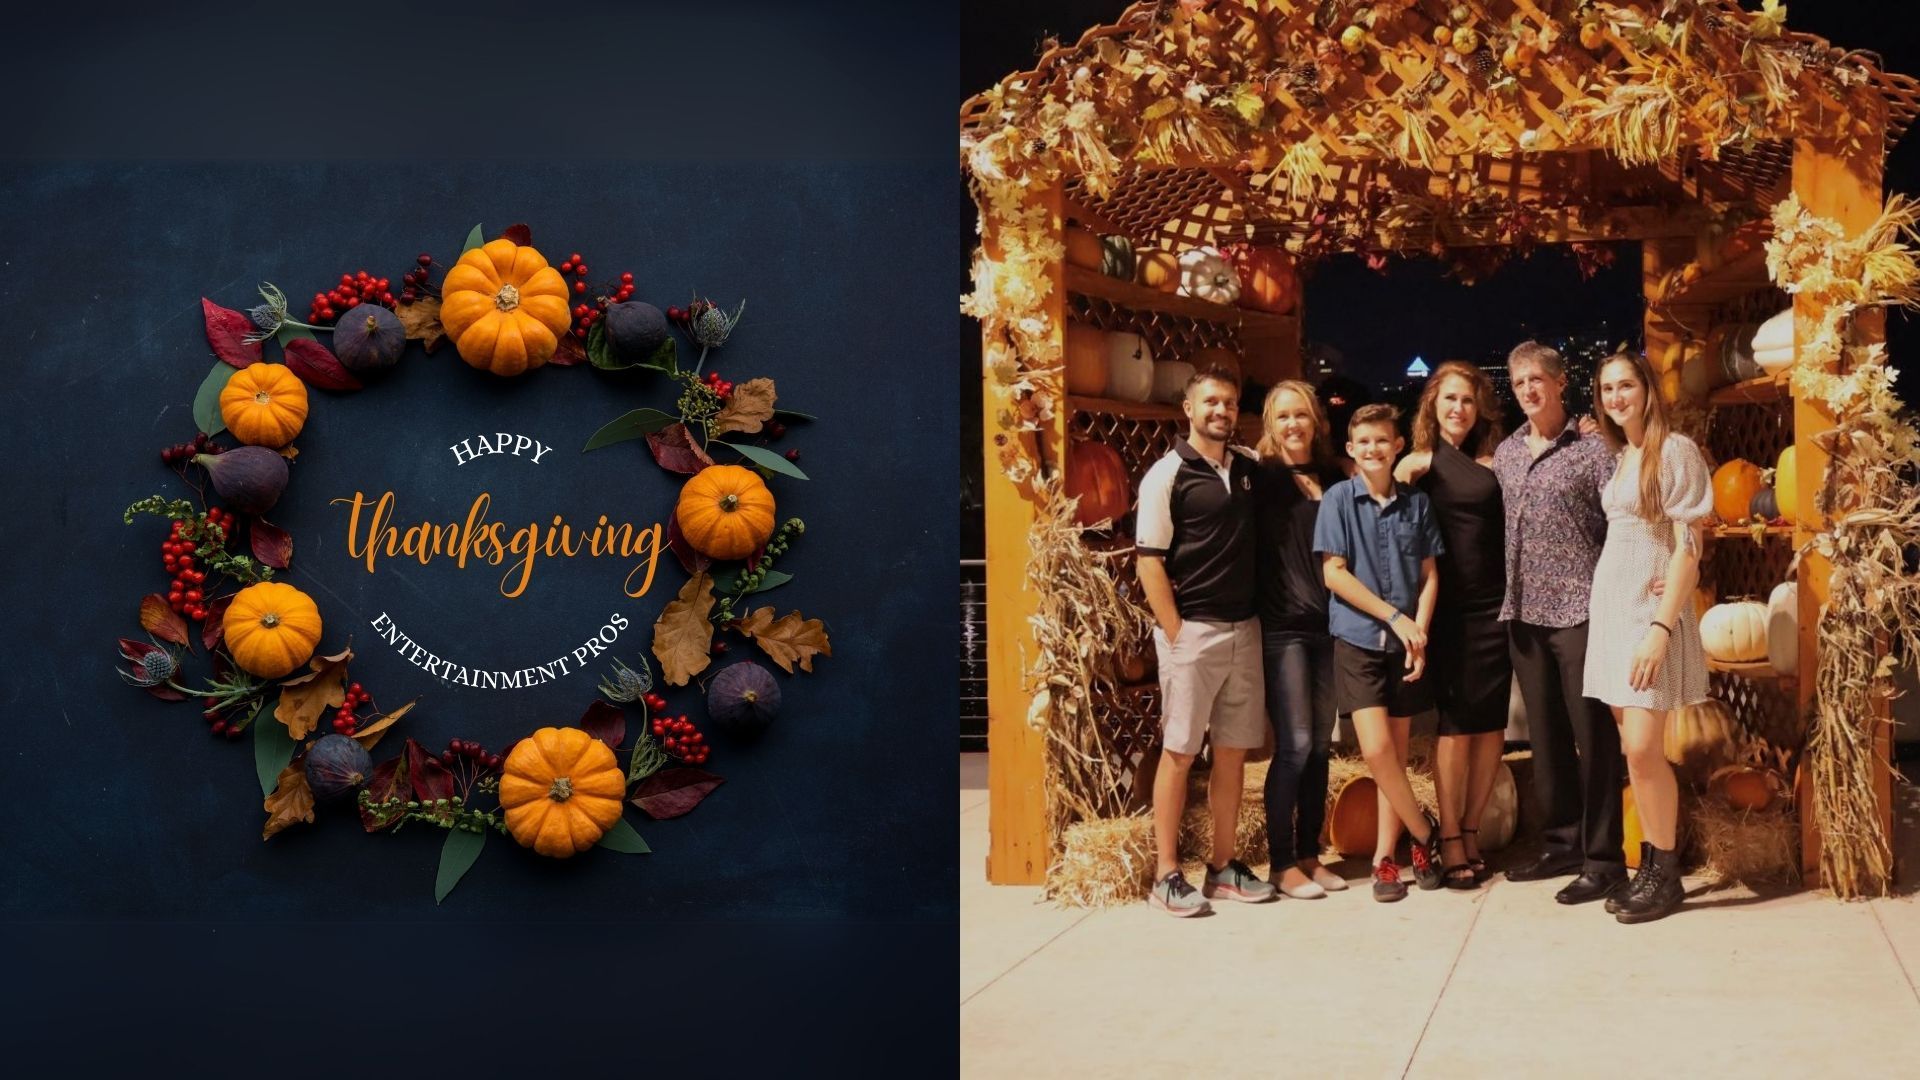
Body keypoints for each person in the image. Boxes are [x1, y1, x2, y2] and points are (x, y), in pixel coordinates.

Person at [1135, 366, 1279, 917]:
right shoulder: (1165, 476)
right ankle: (1166, 874)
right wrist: (1176, 634)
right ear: (1189, 409)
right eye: (1211, 402)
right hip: (1193, 631)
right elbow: (1149, 563)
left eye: (1230, 402)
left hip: (1246, 628)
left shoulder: (1245, 468)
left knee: (1233, 753)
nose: (1221, 410)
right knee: (1179, 752)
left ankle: (1222, 869)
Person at [1492, 342, 1628, 905]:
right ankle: (1562, 843)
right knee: (1544, 738)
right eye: (1520, 380)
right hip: (1523, 612)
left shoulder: (1595, 449)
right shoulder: (1505, 453)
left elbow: (1624, 517)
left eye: (1538, 379)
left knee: (1592, 737)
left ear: (1559, 381)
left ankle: (1604, 859)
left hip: (1580, 611)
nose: (1529, 389)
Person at [1586, 352, 1713, 924]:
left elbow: (1689, 547)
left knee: (1641, 747)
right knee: (1634, 755)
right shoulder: (1623, 455)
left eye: (1626, 386)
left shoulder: (1674, 450)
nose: (1616, 397)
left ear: (1647, 389)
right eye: (1607, 388)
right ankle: (1651, 867)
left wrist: (1663, 625)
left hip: (1647, 616)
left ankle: (1666, 875)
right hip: (1614, 614)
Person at [1313, 403, 1446, 902]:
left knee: (1395, 750)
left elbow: (1430, 576)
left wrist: (1420, 634)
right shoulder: (1338, 501)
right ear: (1351, 449)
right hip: (1359, 639)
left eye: (1382, 441)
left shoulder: (1417, 505)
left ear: (1397, 448)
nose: (1372, 449)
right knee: (1374, 751)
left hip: (1406, 644)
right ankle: (1425, 831)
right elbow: (1334, 573)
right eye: (1362, 442)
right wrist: (1393, 617)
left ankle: (1384, 861)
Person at [1395, 362, 1507, 890]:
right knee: (1457, 726)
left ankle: (1471, 827)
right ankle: (1451, 841)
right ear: (1432, 407)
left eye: (1467, 400)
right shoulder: (1419, 464)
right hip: (1452, 610)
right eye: (1449, 400)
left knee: (1491, 727)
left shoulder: (1497, 457)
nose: (1458, 408)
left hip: (1498, 607)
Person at [1253, 381, 1351, 899]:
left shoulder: (1336, 476)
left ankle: (1312, 854)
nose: (1293, 425)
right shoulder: (1261, 477)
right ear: (1272, 424)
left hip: (1329, 626)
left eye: (1302, 415)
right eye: (1283, 416)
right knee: (1293, 744)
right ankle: (1281, 862)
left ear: (1317, 421)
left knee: (1319, 748)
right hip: (1284, 627)